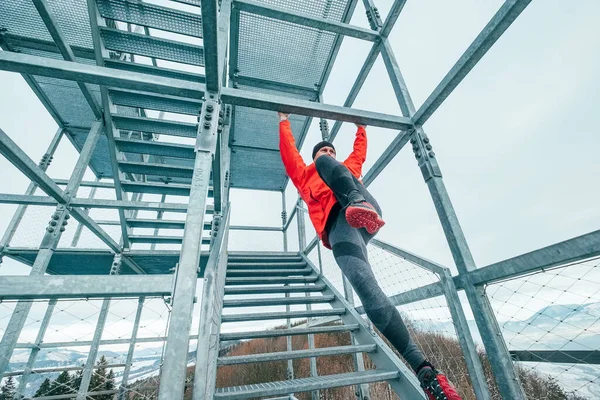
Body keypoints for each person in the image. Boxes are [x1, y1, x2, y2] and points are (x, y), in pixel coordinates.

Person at [278, 112, 461, 400]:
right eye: (322, 150)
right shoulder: (305, 175)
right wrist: (283, 121)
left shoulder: (342, 166)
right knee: (366, 289)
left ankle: (357, 201)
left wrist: (361, 128)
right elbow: (290, 156)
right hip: (342, 231)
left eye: (330, 150)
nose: (327, 153)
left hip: (361, 208)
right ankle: (427, 373)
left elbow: (358, 154)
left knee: (336, 169)